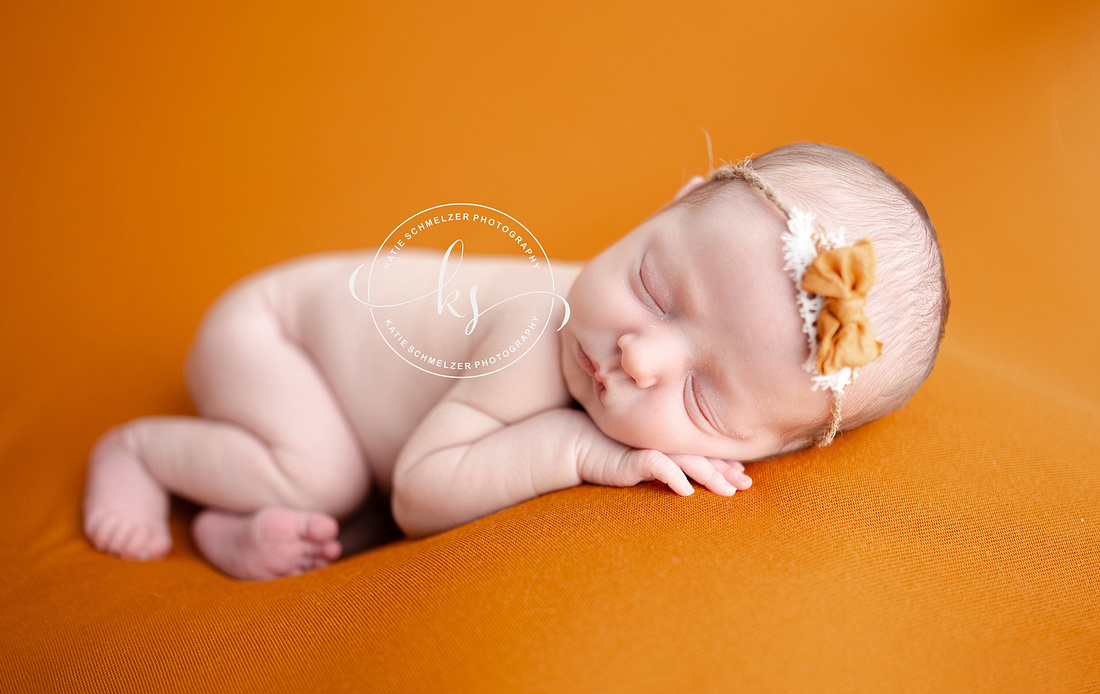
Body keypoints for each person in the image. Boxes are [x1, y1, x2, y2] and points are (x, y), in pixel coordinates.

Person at [83, 142, 949, 580]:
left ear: (775, 453)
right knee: (322, 478)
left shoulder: (624, 346)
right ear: (670, 205)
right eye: (651, 286)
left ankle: (225, 526)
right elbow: (421, 492)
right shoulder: (542, 330)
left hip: (348, 401)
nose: (638, 356)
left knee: (341, 529)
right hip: (273, 337)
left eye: (707, 400)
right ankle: (140, 453)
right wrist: (583, 452)